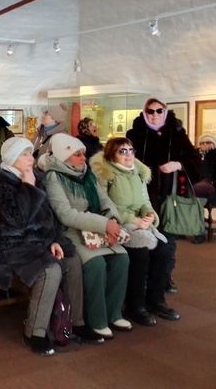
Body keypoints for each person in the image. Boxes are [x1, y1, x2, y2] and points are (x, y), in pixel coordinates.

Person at [0, 137, 104, 355]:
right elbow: (16, 219)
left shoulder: (34, 176)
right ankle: (34, 332)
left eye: (30, 153)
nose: (30, 159)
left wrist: (54, 239)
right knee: (50, 270)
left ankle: (76, 322)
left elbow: (49, 216)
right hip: (14, 245)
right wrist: (28, 186)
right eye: (24, 155)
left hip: (40, 242)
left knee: (72, 260)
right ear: (11, 158)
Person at [40, 133, 131, 340]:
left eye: (83, 153)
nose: (84, 158)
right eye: (77, 154)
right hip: (71, 232)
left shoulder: (86, 174)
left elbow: (105, 200)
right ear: (64, 156)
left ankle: (114, 313)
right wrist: (104, 224)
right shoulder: (54, 176)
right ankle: (97, 319)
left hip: (98, 229)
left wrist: (112, 221)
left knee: (122, 258)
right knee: (95, 263)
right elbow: (66, 214)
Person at [90, 138, 180, 325]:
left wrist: (149, 216)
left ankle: (156, 300)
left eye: (131, 150)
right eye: (122, 151)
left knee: (164, 250)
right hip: (117, 224)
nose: (128, 155)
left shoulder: (138, 172)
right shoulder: (105, 173)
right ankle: (135, 305)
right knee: (140, 253)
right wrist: (132, 219)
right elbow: (103, 206)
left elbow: (145, 202)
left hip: (140, 224)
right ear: (111, 155)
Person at [126, 99, 200, 293]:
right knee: (143, 236)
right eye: (150, 111)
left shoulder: (177, 133)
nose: (155, 115)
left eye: (159, 111)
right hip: (141, 195)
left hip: (168, 195)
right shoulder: (135, 134)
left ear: (165, 111)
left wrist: (179, 165)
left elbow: (195, 161)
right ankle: (143, 278)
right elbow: (123, 160)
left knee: (167, 239)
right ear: (145, 112)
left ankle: (165, 276)